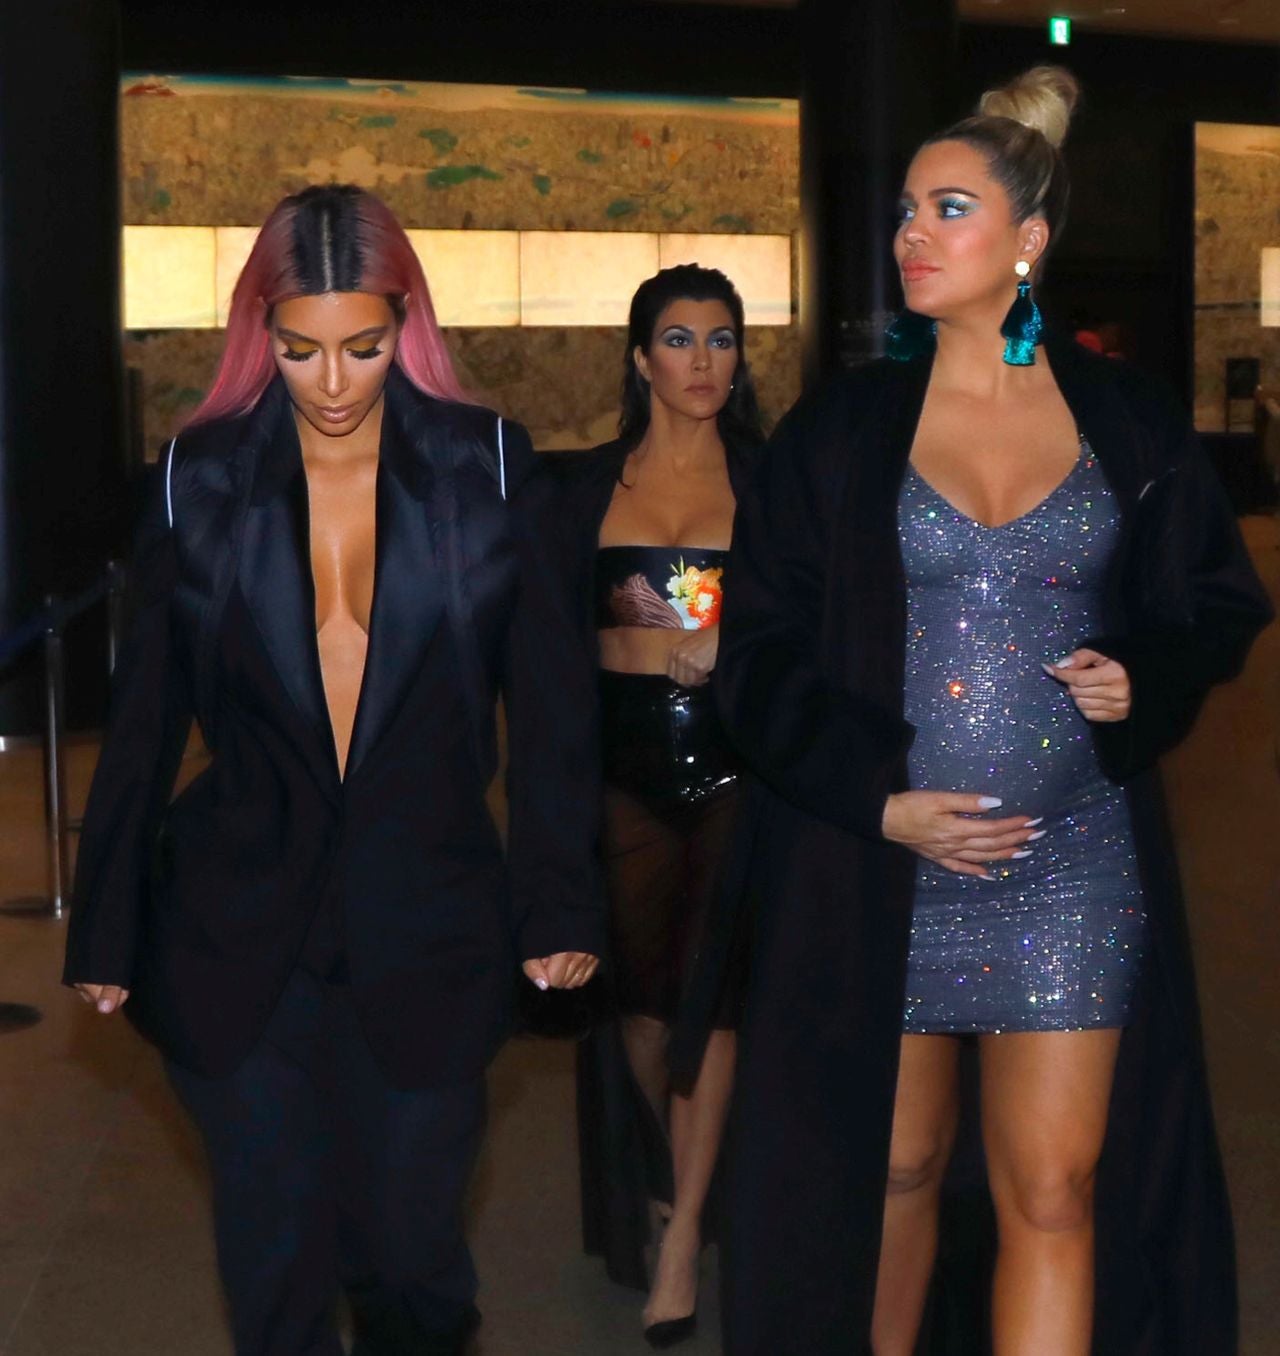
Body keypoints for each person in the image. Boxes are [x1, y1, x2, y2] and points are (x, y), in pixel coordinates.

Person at [704, 67, 1273, 1356]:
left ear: (1028, 239)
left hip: (1072, 861)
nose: (909, 234)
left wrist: (1142, 675)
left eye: (946, 209)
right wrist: (876, 800)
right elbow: (760, 651)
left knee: (1054, 1191)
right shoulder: (842, 431)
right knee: (894, 1170)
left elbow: (1211, 604)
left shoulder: (1126, 420)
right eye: (904, 212)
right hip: (886, 867)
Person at [63, 184, 603, 1356]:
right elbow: (143, 718)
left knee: (412, 1263)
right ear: (259, 332)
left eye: (362, 346)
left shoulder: (488, 471)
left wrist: (558, 900)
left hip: (431, 921)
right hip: (235, 930)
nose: (332, 383)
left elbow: (555, 714)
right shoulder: (195, 479)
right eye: (298, 349)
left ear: (406, 321)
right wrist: (105, 921)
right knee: (276, 1270)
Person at [554, 265, 763, 1347]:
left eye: (720, 340)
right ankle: (678, 1178)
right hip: (619, 761)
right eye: (678, 340)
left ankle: (680, 1237)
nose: (701, 361)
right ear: (641, 359)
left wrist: (740, 634)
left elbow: (825, 613)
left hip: (737, 762)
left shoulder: (770, 484)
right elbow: (542, 637)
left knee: (708, 1000)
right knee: (641, 1007)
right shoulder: (589, 485)